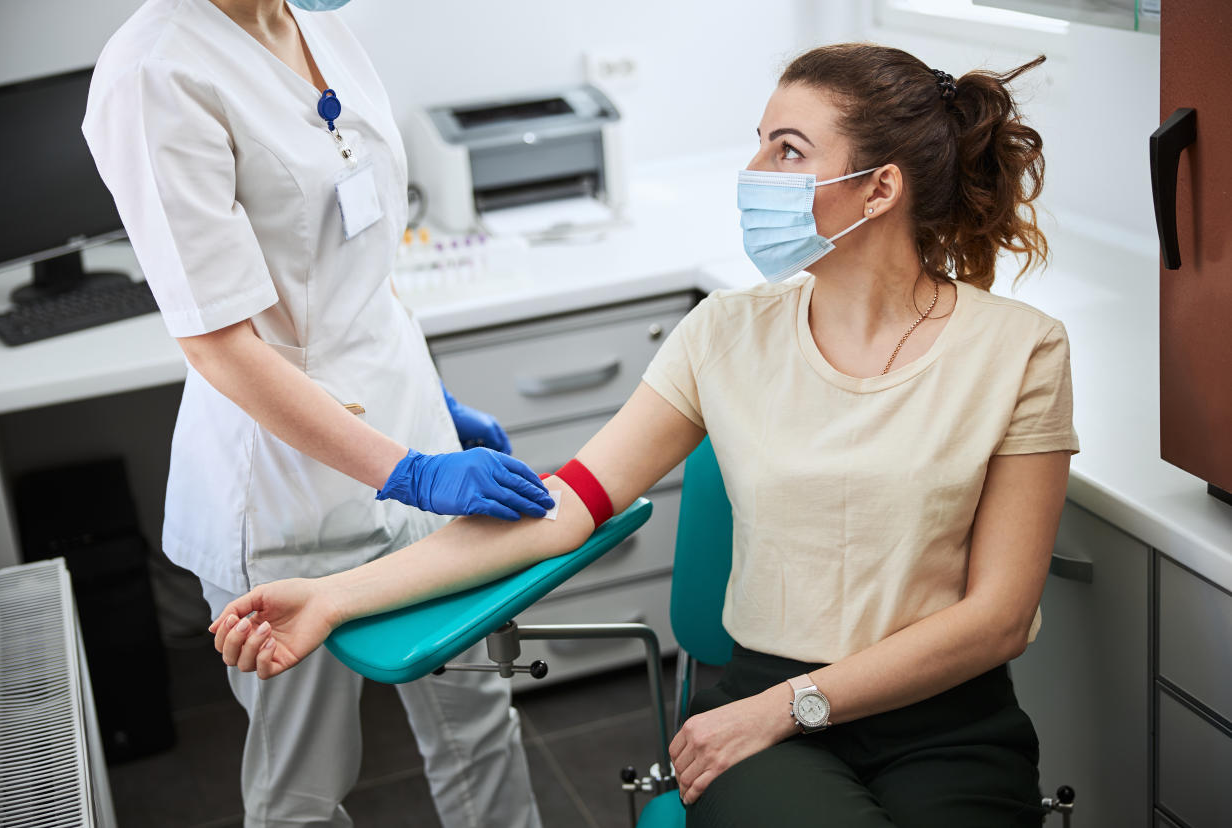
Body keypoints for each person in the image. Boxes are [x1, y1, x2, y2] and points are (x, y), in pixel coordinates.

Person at [210, 43, 1078, 828]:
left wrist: (789, 706)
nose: (753, 170)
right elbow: (563, 508)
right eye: (760, 143)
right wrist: (334, 594)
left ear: (879, 188)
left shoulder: (1018, 351)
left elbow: (998, 619)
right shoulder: (724, 335)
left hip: (944, 722)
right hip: (766, 717)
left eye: (788, 151)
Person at [82, 0, 554, 825]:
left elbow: (357, 250)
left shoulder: (320, 25)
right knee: (303, 784)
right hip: (283, 494)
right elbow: (219, 344)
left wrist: (428, 402)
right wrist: (406, 468)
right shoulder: (154, 71)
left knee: (480, 722)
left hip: (410, 440)